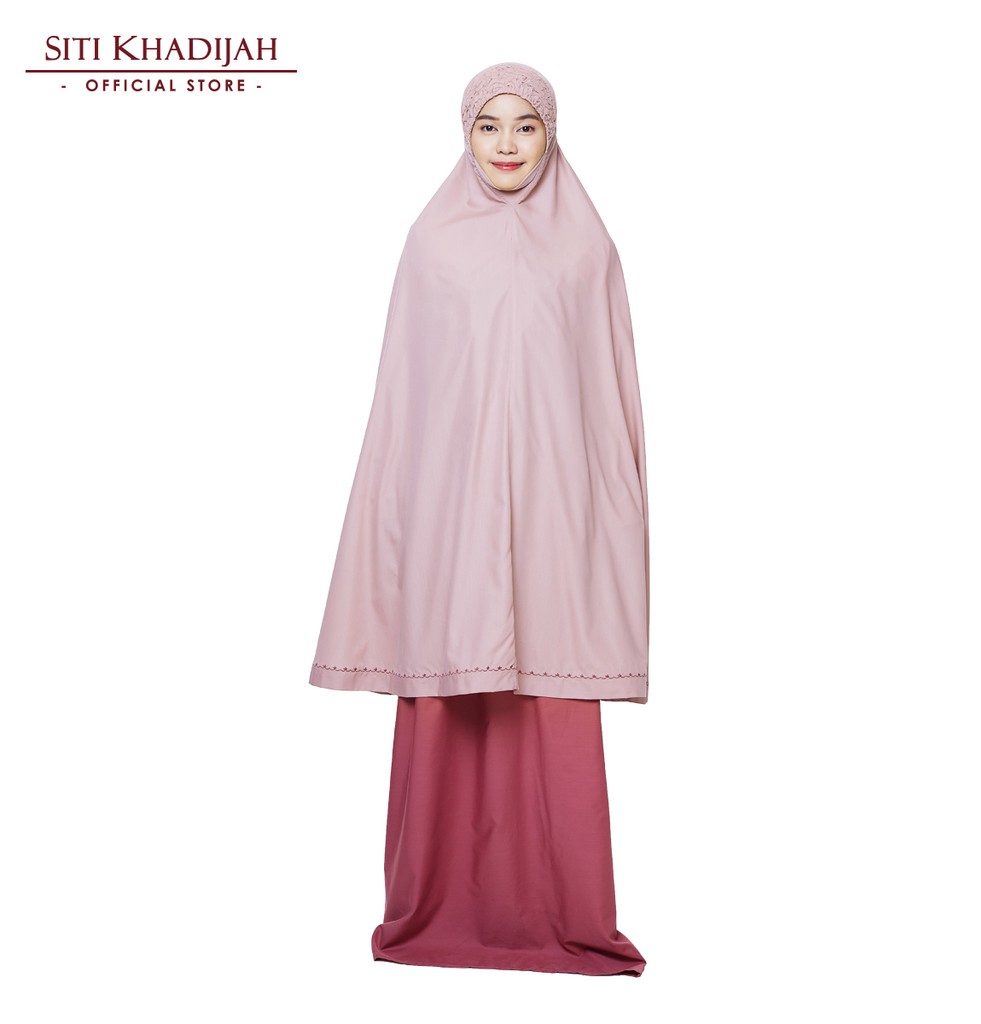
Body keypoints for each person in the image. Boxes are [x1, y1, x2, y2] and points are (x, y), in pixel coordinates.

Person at [308, 62, 649, 976]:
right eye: (488, 126)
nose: (506, 144)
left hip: (555, 516)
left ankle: (564, 917)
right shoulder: (432, 244)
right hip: (451, 514)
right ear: (465, 135)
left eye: (524, 126)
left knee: (554, 689)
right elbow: (406, 398)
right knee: (451, 689)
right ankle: (432, 916)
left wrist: (610, 517)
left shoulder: (587, 250)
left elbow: (610, 395)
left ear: (551, 135)